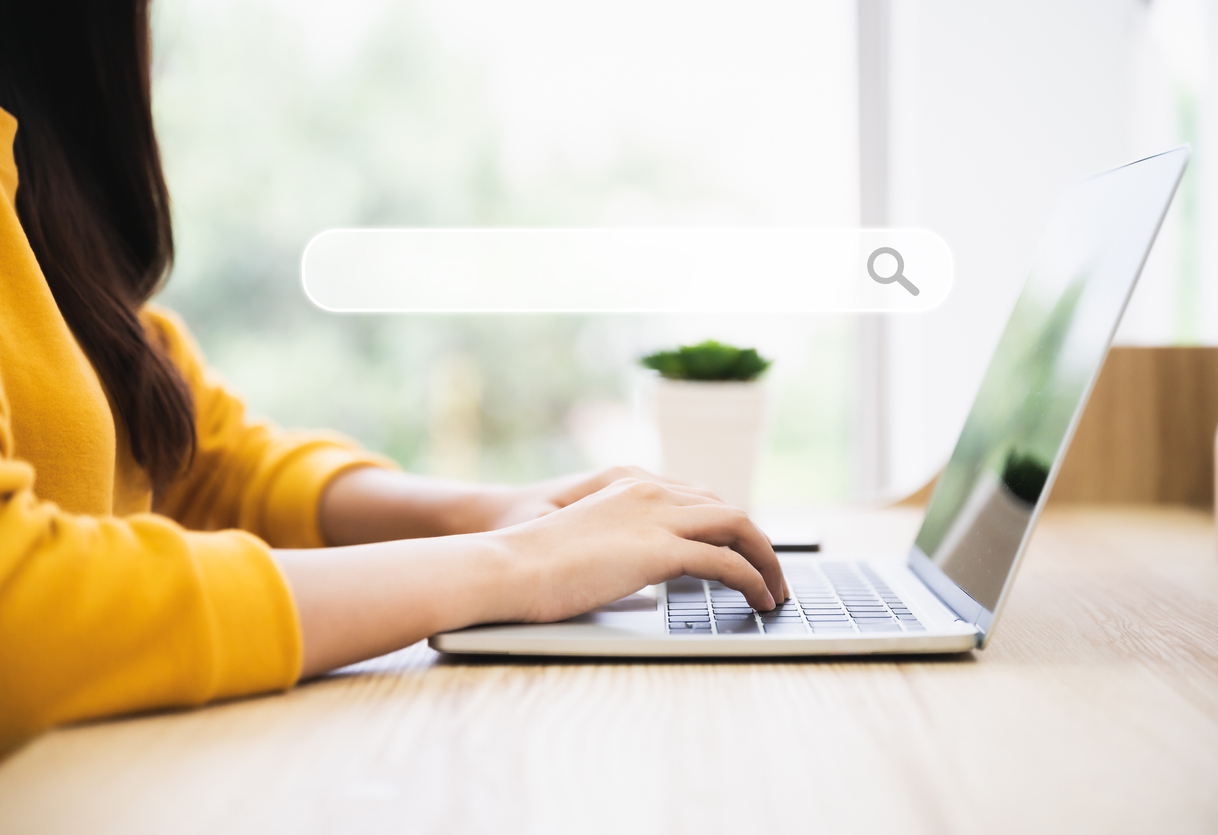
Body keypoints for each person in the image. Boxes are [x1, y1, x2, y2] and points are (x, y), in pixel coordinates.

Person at [0, 1, 785, 752]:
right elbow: (18, 609)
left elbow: (196, 463)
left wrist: (487, 513)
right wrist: (518, 565)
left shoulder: (36, 164)